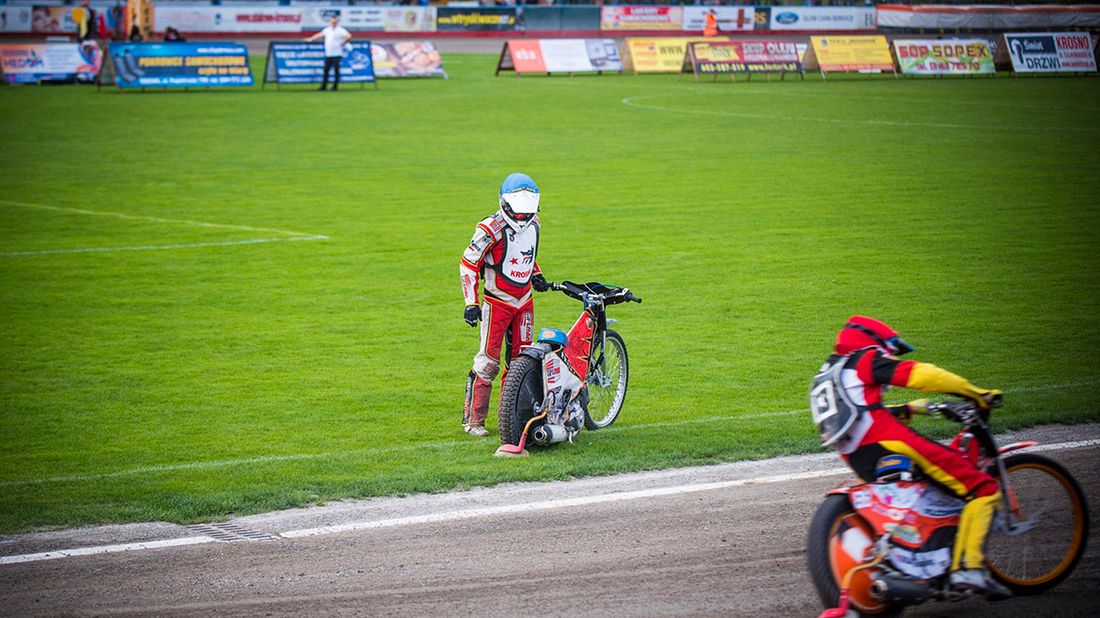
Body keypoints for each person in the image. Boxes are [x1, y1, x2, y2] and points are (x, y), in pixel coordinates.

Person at [809, 316, 1011, 598]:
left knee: (922, 492)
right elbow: (924, 375)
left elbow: (860, 410)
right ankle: (970, 568)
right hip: (888, 441)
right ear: (875, 342)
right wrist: (975, 393)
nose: (889, 356)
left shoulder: (830, 372)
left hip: (857, 455)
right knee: (983, 488)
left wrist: (912, 410)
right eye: (889, 350)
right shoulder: (866, 359)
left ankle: (913, 558)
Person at [459, 173, 549, 437]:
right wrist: (471, 302)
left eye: (527, 212)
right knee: (488, 362)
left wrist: (536, 275)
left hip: (525, 302)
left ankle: (512, 418)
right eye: (517, 212)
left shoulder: (535, 224)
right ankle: (474, 421)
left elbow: (527, 255)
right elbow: (468, 263)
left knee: (522, 361)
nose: (522, 218)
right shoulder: (489, 230)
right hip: (496, 303)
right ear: (504, 204)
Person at [305, 16, 351, 91]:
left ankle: (335, 86)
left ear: (337, 22)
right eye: (332, 22)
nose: (333, 23)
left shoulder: (340, 30)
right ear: (330, 22)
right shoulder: (327, 30)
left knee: (336, 70)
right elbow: (319, 35)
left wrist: (343, 42)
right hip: (329, 53)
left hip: (337, 53)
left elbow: (348, 36)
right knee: (326, 70)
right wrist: (310, 39)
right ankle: (324, 86)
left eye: (335, 22)